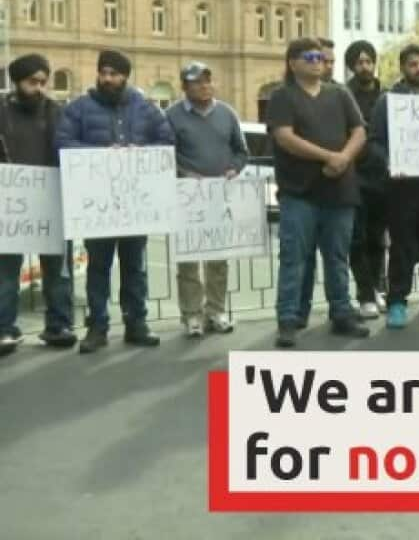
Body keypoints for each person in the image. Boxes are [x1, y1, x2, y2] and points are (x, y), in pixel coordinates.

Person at [55, 49, 174, 353]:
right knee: (98, 267)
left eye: (114, 73)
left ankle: (137, 323)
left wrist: (139, 151)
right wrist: (100, 154)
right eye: (103, 72)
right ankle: (97, 326)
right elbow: (63, 142)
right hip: (98, 207)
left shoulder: (146, 109)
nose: (107, 78)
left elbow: (166, 141)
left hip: (136, 205)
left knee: (135, 266)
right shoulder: (79, 108)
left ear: (125, 76)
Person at [266, 38, 370, 348]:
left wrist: (345, 158)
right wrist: (328, 157)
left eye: (319, 57)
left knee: (337, 256)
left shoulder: (340, 94)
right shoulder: (282, 97)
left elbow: (359, 130)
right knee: (294, 258)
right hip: (299, 193)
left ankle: (341, 313)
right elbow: (284, 137)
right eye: (309, 56)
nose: (316, 61)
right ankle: (288, 319)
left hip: (340, 191)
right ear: (292, 63)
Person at [368, 44, 419, 327]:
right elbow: (375, 142)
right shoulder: (388, 101)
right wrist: (390, 162)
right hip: (401, 186)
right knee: (402, 245)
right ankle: (397, 302)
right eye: (413, 64)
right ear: (403, 67)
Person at [0, 54, 76, 353]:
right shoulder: (2, 112)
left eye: (44, 82)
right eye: (33, 82)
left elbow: (68, 147)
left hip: (50, 201)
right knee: (6, 270)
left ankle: (59, 325)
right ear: (18, 81)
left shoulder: (56, 111)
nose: (40, 87)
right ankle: (4, 328)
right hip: (11, 205)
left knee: (57, 269)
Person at [166, 62, 248, 337]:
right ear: (184, 86)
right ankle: (192, 315)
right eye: (197, 82)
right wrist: (185, 174)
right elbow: (166, 155)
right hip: (187, 196)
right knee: (188, 259)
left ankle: (216, 311)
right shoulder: (172, 116)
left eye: (207, 80)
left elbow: (241, 151)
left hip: (219, 196)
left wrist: (234, 168)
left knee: (218, 258)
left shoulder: (227, 113)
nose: (204, 86)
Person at [345, 40, 388, 319]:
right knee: (356, 238)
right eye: (359, 62)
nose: (365, 67)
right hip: (353, 177)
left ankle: (377, 286)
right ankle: (363, 294)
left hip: (382, 177)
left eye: (369, 61)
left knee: (377, 237)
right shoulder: (342, 95)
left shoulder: (388, 95)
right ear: (352, 66)